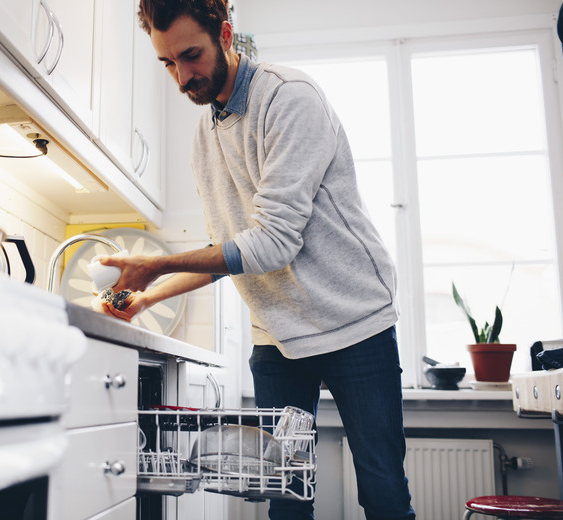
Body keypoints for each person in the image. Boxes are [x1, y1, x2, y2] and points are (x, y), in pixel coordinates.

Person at [98, 1, 415, 518]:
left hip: (355, 324)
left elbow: (273, 243)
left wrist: (155, 265)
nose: (182, 76)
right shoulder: (205, 135)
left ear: (225, 34)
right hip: (277, 335)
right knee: (284, 497)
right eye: (168, 64)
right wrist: (147, 297)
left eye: (191, 56)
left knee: (381, 486)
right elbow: (228, 251)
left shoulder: (289, 99)